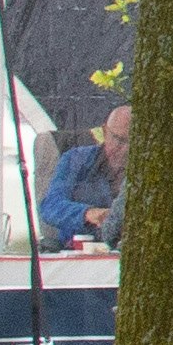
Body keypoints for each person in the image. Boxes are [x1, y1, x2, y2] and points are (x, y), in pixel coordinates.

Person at [38, 103, 129, 251]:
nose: (123, 148)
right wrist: (87, 214)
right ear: (105, 131)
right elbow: (50, 206)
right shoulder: (76, 159)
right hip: (77, 253)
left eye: (129, 141)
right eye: (117, 138)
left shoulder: (144, 172)